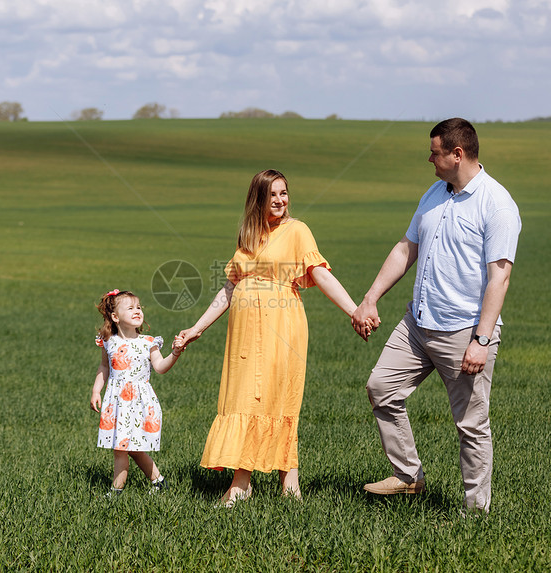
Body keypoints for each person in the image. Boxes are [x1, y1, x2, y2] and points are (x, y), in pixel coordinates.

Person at [352, 118, 521, 513]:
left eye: (435, 153)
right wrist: (371, 297)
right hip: (417, 325)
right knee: (381, 388)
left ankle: (475, 513)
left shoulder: (496, 204)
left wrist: (481, 340)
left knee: (470, 425)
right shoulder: (434, 193)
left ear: (457, 154)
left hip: (463, 332)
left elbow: (500, 277)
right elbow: (405, 249)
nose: (429, 159)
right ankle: (409, 477)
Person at [177, 169, 357, 507]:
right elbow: (229, 288)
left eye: (284, 193)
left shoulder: (297, 231)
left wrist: (354, 310)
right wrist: (196, 328)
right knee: (243, 399)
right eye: (272, 194)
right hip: (243, 336)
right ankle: (283, 487)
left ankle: (251, 484)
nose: (279, 200)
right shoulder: (248, 237)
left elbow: (320, 274)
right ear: (258, 199)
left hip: (281, 329)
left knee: (275, 400)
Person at [91, 289, 183, 496]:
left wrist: (175, 353)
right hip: (116, 401)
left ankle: (116, 491)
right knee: (124, 448)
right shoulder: (109, 341)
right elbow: (104, 367)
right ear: (115, 317)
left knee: (128, 448)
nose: (137, 311)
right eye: (130, 308)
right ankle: (158, 482)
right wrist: (97, 390)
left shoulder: (148, 342)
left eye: (139, 307)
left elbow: (160, 367)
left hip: (139, 402)